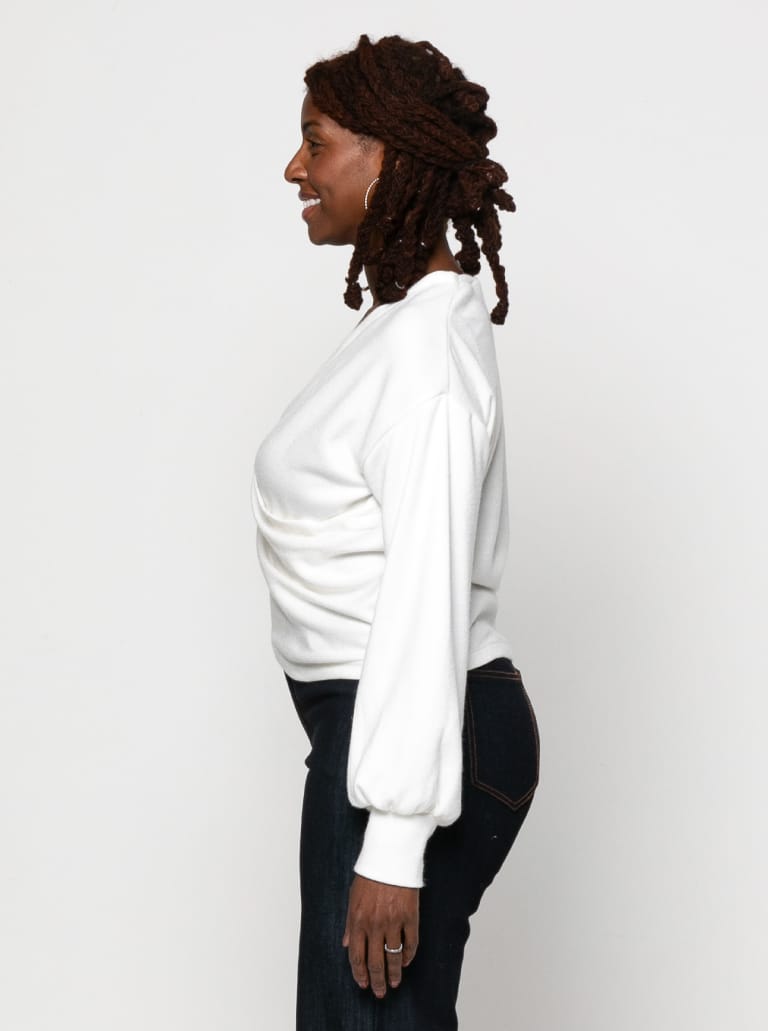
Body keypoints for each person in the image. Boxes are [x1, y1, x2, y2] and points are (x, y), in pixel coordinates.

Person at [251, 33, 540, 1031]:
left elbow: (425, 591)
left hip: (413, 728)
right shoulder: (400, 325)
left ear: (389, 156)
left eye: (316, 141)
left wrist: (395, 841)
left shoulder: (424, 356)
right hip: (383, 726)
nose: (295, 168)